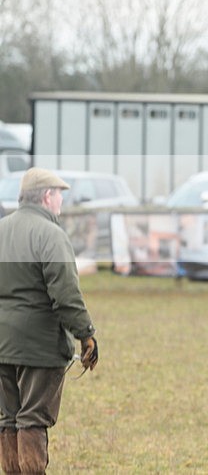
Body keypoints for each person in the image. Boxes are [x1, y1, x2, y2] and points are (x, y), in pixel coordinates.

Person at [0, 167, 99, 474]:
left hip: (1, 344)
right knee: (32, 419)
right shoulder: (51, 235)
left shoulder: (2, 229)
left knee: (7, 419)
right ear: (47, 196)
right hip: (38, 347)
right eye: (59, 195)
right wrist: (86, 335)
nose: (61, 203)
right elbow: (66, 294)